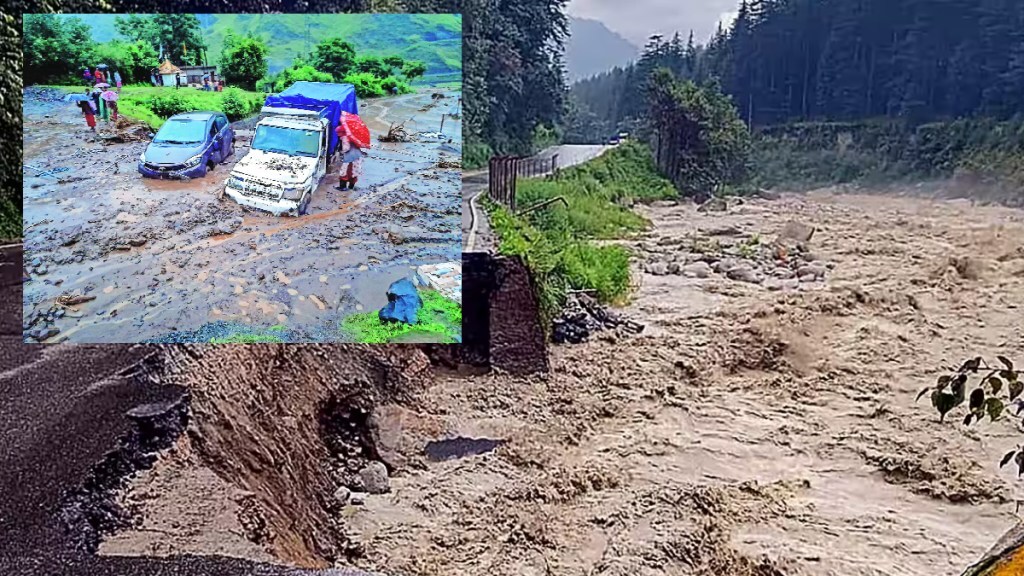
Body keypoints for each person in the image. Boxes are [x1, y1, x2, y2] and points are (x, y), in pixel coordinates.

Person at [334, 126, 364, 190]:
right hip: (357, 156)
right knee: (354, 172)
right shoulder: (353, 136)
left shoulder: (344, 137)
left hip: (349, 157)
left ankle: (343, 187)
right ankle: (351, 187)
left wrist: (341, 152)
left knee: (344, 171)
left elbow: (346, 148)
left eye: (338, 133)